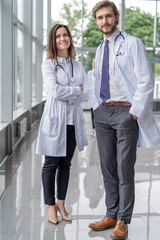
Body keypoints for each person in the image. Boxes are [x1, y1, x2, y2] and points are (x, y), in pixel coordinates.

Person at [88, 1, 160, 240]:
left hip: (125, 112)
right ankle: (110, 213)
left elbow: (145, 81)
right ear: (96, 21)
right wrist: (96, 108)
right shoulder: (100, 48)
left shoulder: (133, 43)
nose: (104, 21)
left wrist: (134, 112)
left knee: (124, 168)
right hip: (103, 113)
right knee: (107, 167)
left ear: (116, 18)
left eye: (108, 16)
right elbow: (98, 80)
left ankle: (123, 220)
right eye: (100, 18)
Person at [36, 24, 89, 225]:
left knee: (66, 165)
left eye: (65, 35)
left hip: (72, 121)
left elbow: (86, 92)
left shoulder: (78, 65)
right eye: (58, 36)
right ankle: (50, 206)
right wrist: (76, 90)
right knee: (51, 164)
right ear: (53, 40)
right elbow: (54, 91)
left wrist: (72, 92)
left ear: (69, 38)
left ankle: (61, 203)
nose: (62, 39)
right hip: (55, 119)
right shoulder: (48, 64)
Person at [87, 58, 96, 139]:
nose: (94, 64)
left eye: (95, 63)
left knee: (98, 115)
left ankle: (98, 131)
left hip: (98, 99)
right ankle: (93, 130)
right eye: (93, 62)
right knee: (92, 115)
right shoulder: (89, 73)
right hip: (91, 97)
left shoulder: (101, 73)